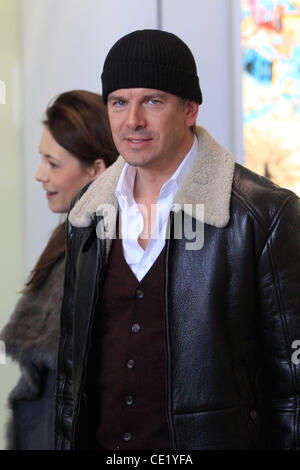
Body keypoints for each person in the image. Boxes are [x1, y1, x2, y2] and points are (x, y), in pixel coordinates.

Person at [54, 30, 300, 450]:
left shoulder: (263, 214)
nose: (132, 120)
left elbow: (292, 387)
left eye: (152, 100)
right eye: (118, 102)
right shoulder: (87, 213)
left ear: (190, 109)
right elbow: (69, 375)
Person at [0, 90, 118, 450]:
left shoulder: (105, 252)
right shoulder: (71, 237)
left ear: (97, 170)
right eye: (42, 160)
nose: (39, 175)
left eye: (53, 164)